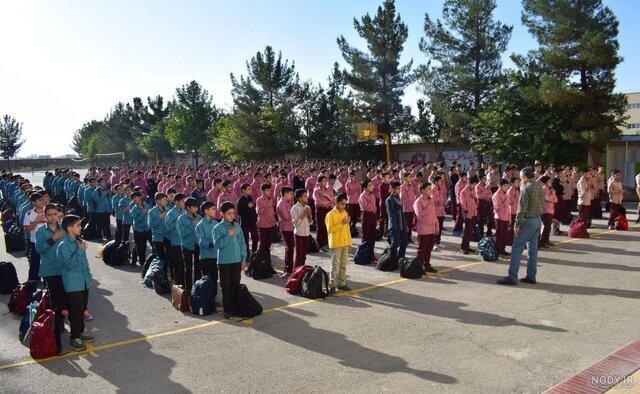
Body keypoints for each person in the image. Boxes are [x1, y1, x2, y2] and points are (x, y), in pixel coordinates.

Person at [497, 168, 544, 286]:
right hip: (538, 219)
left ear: (525, 177)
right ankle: (531, 276)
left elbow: (521, 208)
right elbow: (542, 202)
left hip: (528, 221)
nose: (521, 180)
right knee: (532, 250)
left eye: (521, 178)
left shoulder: (526, 188)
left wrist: (517, 224)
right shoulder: (539, 187)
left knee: (517, 248)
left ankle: (512, 277)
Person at [56, 215, 95, 351]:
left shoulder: (79, 241)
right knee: (75, 310)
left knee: (82, 308)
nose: (81, 227)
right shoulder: (63, 245)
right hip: (72, 283)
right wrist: (80, 250)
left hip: (83, 281)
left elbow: (85, 262)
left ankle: (81, 331)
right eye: (78, 225)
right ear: (69, 228)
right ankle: (74, 337)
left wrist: (88, 276)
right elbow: (69, 264)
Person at [36, 203, 67, 353]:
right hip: (50, 270)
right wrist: (53, 238)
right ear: (45, 215)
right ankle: (58, 324)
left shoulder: (64, 228)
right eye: (50, 215)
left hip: (65, 269)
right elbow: (40, 249)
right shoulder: (41, 231)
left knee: (65, 297)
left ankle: (62, 319)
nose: (53, 217)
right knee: (55, 299)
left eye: (55, 214)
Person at [212, 202, 247, 319]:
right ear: (221, 214)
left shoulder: (237, 226)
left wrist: (243, 258)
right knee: (225, 286)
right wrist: (228, 235)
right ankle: (227, 309)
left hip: (236, 260)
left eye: (233, 213)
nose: (232, 216)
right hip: (224, 261)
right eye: (229, 214)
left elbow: (242, 243)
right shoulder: (217, 228)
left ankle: (236, 306)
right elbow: (217, 245)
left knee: (235, 284)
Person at [325, 193, 352, 294]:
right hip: (336, 243)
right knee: (335, 265)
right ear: (336, 203)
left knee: (343, 264)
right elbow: (330, 230)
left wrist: (349, 242)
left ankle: (342, 283)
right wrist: (342, 223)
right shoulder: (330, 215)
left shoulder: (344, 212)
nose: (344, 206)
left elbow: (347, 229)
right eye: (342, 204)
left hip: (344, 242)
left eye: (345, 204)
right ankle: (332, 285)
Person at [178, 197, 202, 291]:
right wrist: (193, 225)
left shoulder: (199, 217)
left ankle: (197, 289)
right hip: (187, 245)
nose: (196, 209)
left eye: (197, 207)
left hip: (197, 245)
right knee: (188, 269)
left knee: (198, 268)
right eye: (194, 207)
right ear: (188, 208)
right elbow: (182, 234)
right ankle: (188, 289)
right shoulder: (181, 218)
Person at [413, 182, 439, 273]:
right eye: (428, 188)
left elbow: (434, 215)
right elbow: (419, 216)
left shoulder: (431, 200)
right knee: (422, 249)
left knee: (429, 248)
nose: (430, 190)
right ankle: (419, 267)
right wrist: (428, 207)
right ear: (422, 190)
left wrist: (436, 226)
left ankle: (427, 265)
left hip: (431, 229)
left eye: (430, 188)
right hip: (423, 229)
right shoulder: (418, 202)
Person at [23, 192, 47, 281]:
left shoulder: (48, 212)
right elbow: (27, 229)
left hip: (49, 242)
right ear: (33, 203)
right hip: (36, 242)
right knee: (35, 263)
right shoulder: (28, 214)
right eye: (39, 200)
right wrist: (36, 221)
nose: (42, 202)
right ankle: (33, 281)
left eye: (42, 200)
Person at [165, 193, 186, 286]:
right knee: (177, 265)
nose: (184, 203)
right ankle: (178, 285)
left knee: (184, 265)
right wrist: (179, 220)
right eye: (182, 201)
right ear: (176, 202)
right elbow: (168, 227)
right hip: (176, 242)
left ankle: (184, 285)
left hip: (185, 242)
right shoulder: (171, 213)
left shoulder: (185, 211)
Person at [195, 201, 218, 285]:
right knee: (207, 278)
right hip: (205, 256)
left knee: (215, 277)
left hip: (215, 255)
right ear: (206, 211)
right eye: (213, 209)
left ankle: (214, 295)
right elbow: (201, 241)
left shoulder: (216, 223)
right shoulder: (200, 225)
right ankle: (208, 296)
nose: (215, 211)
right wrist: (211, 244)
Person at [385, 181, 408, 259]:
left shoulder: (398, 198)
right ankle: (392, 260)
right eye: (398, 188)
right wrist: (398, 206)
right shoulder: (389, 200)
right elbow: (390, 213)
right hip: (394, 226)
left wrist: (405, 225)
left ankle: (401, 259)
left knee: (404, 243)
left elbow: (402, 213)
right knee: (395, 244)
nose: (399, 190)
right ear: (393, 189)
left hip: (401, 226)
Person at [290, 189, 311, 270]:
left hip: (307, 233)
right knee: (299, 255)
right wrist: (303, 214)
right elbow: (295, 223)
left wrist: (309, 216)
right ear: (299, 198)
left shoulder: (307, 207)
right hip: (299, 233)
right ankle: (296, 272)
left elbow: (310, 222)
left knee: (304, 254)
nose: (306, 197)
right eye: (304, 196)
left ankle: (302, 271)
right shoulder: (294, 208)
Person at [130, 191, 152, 266]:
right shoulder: (134, 209)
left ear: (140, 197)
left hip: (147, 228)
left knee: (152, 245)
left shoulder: (146, 205)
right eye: (133, 198)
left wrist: (144, 211)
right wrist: (143, 212)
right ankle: (142, 262)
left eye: (136, 197)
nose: (134, 199)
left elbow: (149, 213)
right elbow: (136, 220)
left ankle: (151, 261)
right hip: (138, 230)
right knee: (140, 247)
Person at [237, 183, 258, 261]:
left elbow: (253, 210)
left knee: (255, 237)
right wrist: (247, 206)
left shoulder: (250, 197)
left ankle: (254, 253)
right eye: (248, 189)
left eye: (250, 189)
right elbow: (239, 212)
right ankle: (247, 255)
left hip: (252, 221)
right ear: (243, 190)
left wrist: (256, 220)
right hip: (245, 222)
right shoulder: (240, 200)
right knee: (245, 240)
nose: (250, 190)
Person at [313, 175, 334, 252]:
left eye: (326, 180)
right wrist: (328, 201)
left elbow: (333, 199)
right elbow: (319, 202)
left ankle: (326, 242)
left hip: (328, 210)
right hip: (320, 210)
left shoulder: (328, 189)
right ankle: (320, 244)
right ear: (319, 182)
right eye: (323, 181)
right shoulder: (316, 191)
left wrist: (326, 195)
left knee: (327, 227)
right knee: (321, 227)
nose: (325, 182)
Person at [148, 192, 170, 265]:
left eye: (166, 200)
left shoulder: (168, 210)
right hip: (157, 237)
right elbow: (150, 225)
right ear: (157, 201)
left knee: (169, 257)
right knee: (160, 258)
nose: (166, 201)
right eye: (164, 200)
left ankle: (169, 274)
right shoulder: (151, 211)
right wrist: (160, 218)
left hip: (168, 236)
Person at [459, 176, 479, 255]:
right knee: (467, 231)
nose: (474, 186)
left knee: (470, 231)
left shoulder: (473, 190)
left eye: (475, 185)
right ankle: (462, 247)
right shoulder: (463, 191)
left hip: (474, 212)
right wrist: (466, 211)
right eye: (473, 184)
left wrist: (475, 198)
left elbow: (476, 201)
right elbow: (463, 203)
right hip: (468, 214)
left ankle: (467, 246)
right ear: (469, 183)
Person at [277, 187, 294, 276]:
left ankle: (290, 268)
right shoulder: (281, 204)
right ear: (286, 194)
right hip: (285, 228)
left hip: (290, 227)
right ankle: (287, 269)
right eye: (290, 194)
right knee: (289, 248)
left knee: (290, 248)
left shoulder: (287, 202)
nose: (291, 196)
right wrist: (293, 212)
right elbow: (286, 217)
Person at [492, 179, 511, 257]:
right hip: (499, 217)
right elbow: (497, 208)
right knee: (499, 235)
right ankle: (497, 250)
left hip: (506, 217)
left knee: (504, 235)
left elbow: (508, 206)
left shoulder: (505, 194)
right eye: (504, 186)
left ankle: (502, 249)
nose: (506, 187)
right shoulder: (496, 195)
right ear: (500, 186)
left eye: (507, 186)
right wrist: (505, 201)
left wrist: (509, 218)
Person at [256, 183, 276, 253]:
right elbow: (259, 212)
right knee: (262, 243)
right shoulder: (259, 200)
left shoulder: (270, 199)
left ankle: (267, 259)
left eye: (270, 190)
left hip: (271, 223)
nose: (269, 192)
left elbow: (272, 211)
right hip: (263, 225)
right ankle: (261, 259)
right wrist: (266, 206)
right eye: (268, 190)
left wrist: (274, 218)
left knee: (269, 243)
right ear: (263, 191)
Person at [539, 176, 557, 248]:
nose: (550, 183)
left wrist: (552, 195)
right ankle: (543, 241)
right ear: (545, 182)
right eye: (549, 182)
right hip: (545, 210)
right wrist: (552, 194)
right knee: (546, 226)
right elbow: (547, 198)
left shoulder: (550, 189)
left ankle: (546, 241)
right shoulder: (543, 189)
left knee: (548, 227)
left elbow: (555, 200)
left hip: (550, 209)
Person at [93, 177, 112, 242]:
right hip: (100, 210)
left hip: (107, 210)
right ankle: (99, 237)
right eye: (103, 181)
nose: (105, 182)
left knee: (107, 224)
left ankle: (108, 236)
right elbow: (97, 201)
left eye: (105, 181)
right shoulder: (96, 191)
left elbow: (110, 199)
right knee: (99, 224)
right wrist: (103, 195)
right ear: (99, 183)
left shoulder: (107, 189)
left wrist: (110, 208)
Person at [358, 179, 377, 245]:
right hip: (367, 215)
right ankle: (364, 254)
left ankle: (371, 253)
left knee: (372, 236)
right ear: (365, 188)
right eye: (370, 186)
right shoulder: (363, 196)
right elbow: (365, 207)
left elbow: (374, 206)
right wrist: (370, 200)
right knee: (366, 236)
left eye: (372, 185)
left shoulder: (372, 195)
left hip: (373, 215)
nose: (372, 187)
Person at [400, 173, 416, 243]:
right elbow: (402, 197)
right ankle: (404, 238)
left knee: (410, 224)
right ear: (405, 178)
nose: (411, 178)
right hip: (405, 208)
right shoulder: (402, 187)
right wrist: (408, 190)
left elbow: (413, 195)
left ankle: (409, 237)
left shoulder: (411, 186)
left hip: (411, 207)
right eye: (409, 177)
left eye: (411, 177)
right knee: (405, 224)